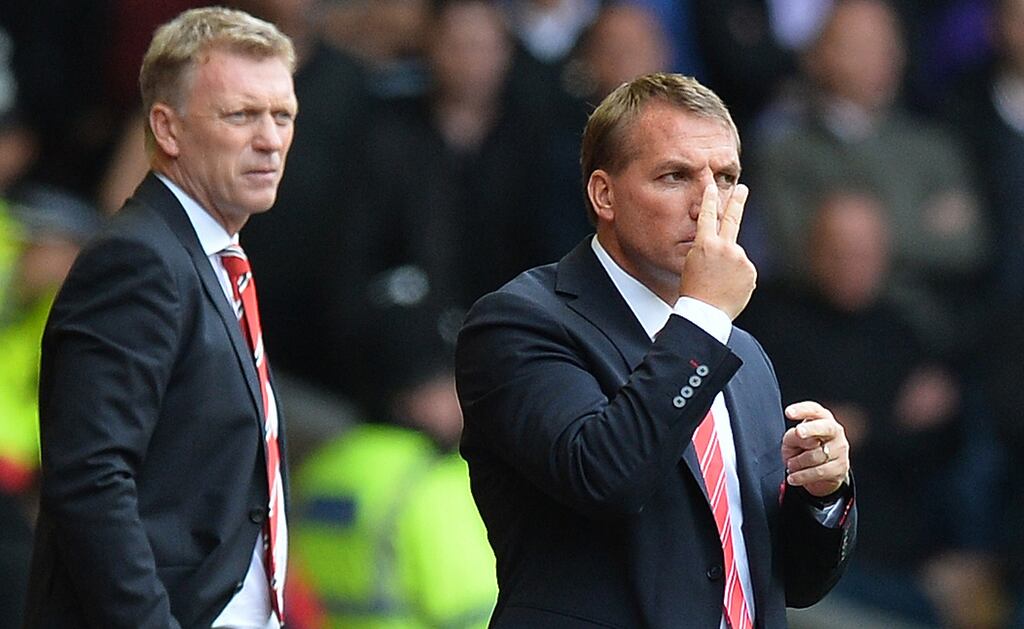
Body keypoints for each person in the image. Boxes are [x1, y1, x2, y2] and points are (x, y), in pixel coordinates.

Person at [455, 72, 857, 628]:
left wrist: (823, 493)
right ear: (604, 194)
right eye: (675, 177)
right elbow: (605, 476)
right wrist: (705, 315)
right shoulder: (519, 322)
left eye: (726, 178)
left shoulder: (741, 354)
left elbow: (790, 583)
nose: (708, 204)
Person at [23, 7, 299, 628]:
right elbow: (91, 479)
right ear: (167, 130)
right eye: (241, 115)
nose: (270, 139)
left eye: (282, 115)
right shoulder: (137, 259)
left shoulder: (213, 259)